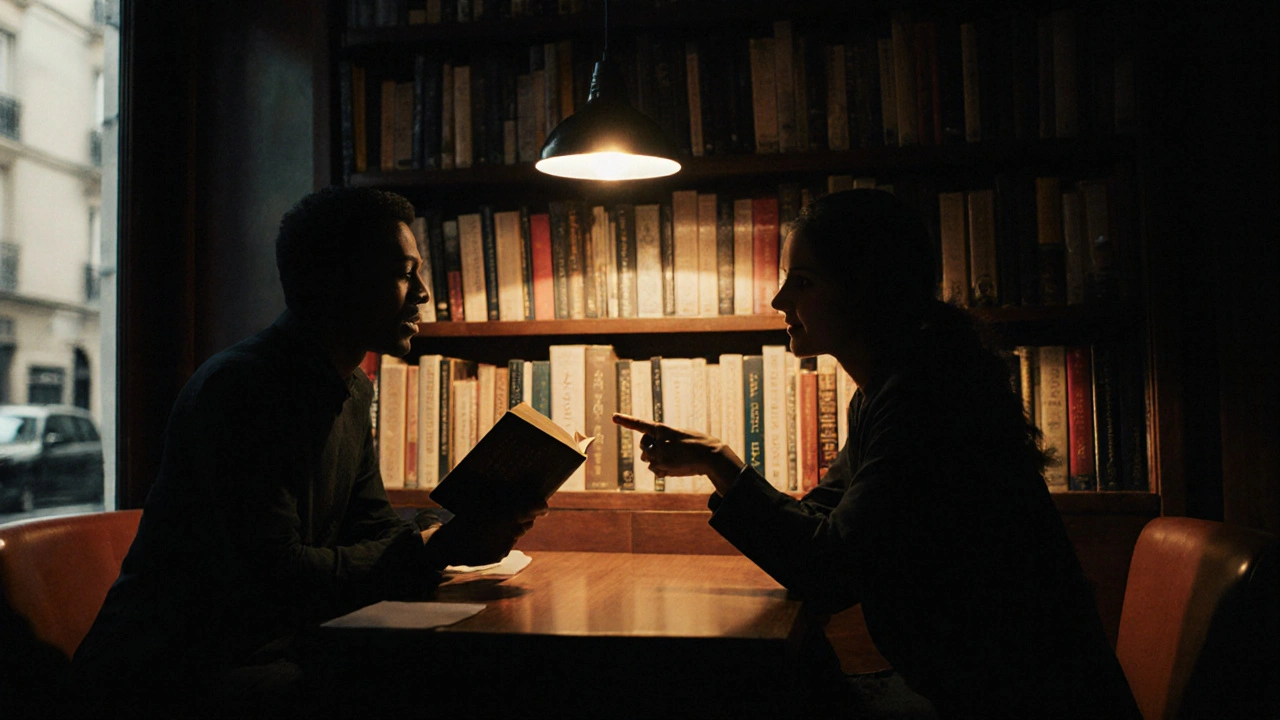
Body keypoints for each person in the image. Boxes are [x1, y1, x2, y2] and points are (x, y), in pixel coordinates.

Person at [613, 189, 1140, 719]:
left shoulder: (926, 400)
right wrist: (719, 466)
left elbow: (831, 567)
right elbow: (825, 520)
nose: (778, 301)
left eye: (804, 281)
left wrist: (721, 463)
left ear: (865, 289)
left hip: (1020, 700)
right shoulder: (890, 390)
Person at [73, 187, 546, 717]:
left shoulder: (351, 387)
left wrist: (463, 521)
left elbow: (371, 528)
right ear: (334, 282)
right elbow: (277, 577)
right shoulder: (243, 391)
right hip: (176, 675)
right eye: (403, 272)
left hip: (275, 651)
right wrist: (435, 547)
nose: (424, 293)